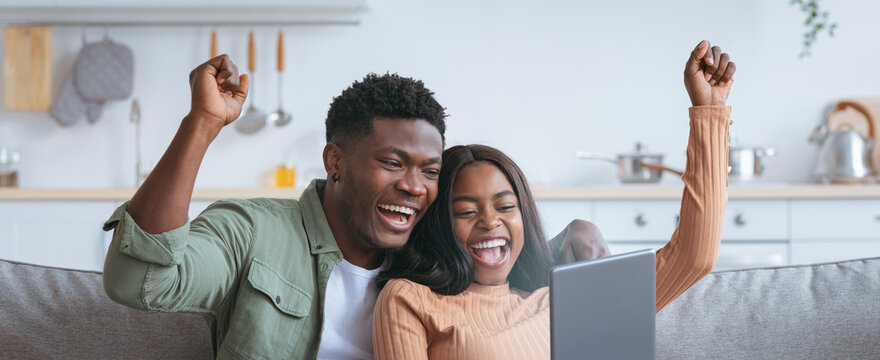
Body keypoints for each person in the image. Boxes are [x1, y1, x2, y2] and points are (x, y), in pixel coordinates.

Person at [101, 55, 605, 359]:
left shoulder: (431, 245)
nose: (413, 187)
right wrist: (203, 125)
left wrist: (568, 237)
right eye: (392, 163)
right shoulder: (254, 232)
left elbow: (496, 250)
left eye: (430, 171)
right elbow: (138, 281)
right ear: (335, 161)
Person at [372, 40, 735, 359]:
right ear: (441, 225)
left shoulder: (563, 298)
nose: (490, 221)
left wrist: (709, 114)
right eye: (466, 211)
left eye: (505, 206)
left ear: (523, 217)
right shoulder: (410, 300)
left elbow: (694, 256)